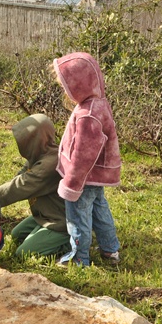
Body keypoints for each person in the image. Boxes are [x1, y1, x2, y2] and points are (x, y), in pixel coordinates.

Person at [52, 52, 121, 267]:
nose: (65, 92)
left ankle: (79, 257)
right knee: (99, 209)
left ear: (79, 84)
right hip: (96, 175)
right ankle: (110, 250)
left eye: (66, 86)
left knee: (77, 215)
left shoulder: (88, 114)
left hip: (84, 177)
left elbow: (84, 154)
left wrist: (72, 184)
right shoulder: (98, 103)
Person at [0, 114, 70, 259]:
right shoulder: (40, 155)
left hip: (60, 223)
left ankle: (70, 242)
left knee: (23, 253)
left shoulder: (50, 165)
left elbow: (19, 187)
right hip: (44, 215)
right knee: (16, 235)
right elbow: (20, 177)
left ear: (36, 140)